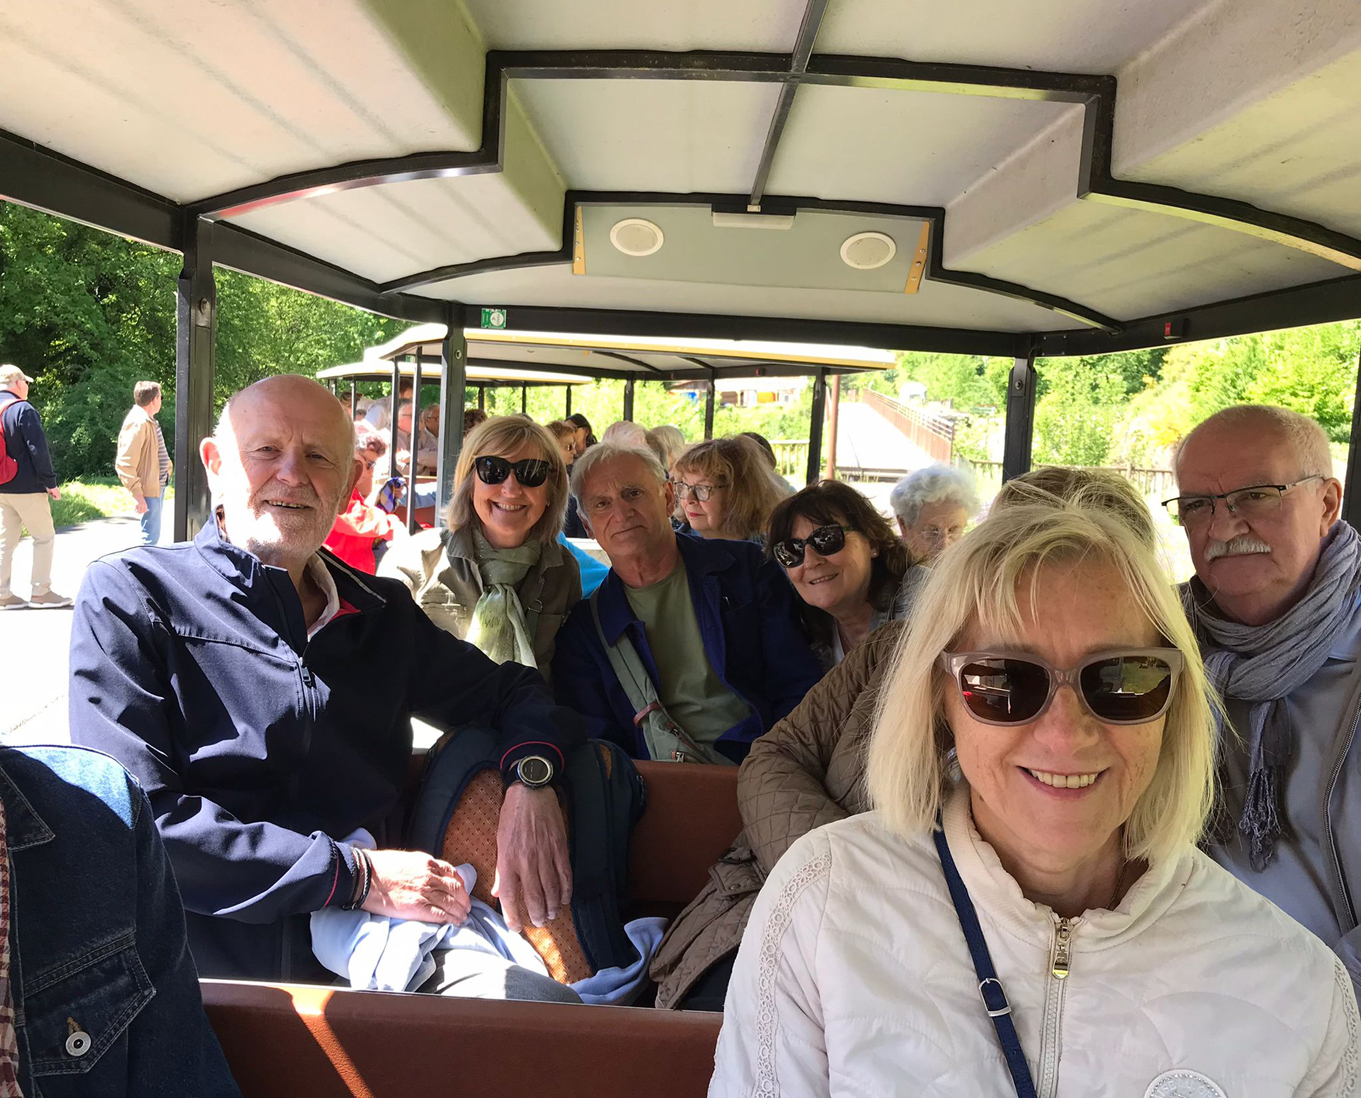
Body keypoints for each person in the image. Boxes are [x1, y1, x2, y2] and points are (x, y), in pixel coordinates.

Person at [710, 490, 1359, 1095]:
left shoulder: (1298, 987)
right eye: (1004, 680)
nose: (1065, 734)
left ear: (1173, 702)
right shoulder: (821, 900)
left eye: (1121, 678)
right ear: (940, 701)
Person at [68, 375, 586, 995]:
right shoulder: (134, 596)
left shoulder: (380, 612)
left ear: (347, 484)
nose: (292, 474)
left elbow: (514, 692)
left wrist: (532, 779)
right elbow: (133, 820)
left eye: (319, 457)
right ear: (215, 464)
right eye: (266, 450)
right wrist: (356, 876)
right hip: (190, 971)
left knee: (542, 1012)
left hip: (374, 959)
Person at [654, 467, 1157, 1012]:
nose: (1065, 729)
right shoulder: (893, 650)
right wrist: (849, 881)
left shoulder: (1147, 715)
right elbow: (774, 755)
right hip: (773, 908)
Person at [1168, 404, 1361, 985]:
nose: (1223, 528)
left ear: (1326, 504)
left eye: (1256, 495)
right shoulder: (1154, 640)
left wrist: (1316, 1006)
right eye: (1197, 505)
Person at [553, 443, 822, 764]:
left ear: (668, 497)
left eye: (633, 494)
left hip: (769, 760)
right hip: (661, 783)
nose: (621, 514)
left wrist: (776, 763)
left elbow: (797, 682)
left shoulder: (745, 570)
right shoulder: (586, 631)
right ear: (587, 526)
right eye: (602, 504)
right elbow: (603, 748)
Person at [0, 744, 242, 1096]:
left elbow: (181, 1073)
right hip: (230, 911)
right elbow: (168, 815)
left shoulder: (99, 804)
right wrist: (326, 875)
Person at [380, 415, 580, 676]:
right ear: (470, 482)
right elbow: (384, 671)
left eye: (530, 472)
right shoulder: (412, 562)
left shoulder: (562, 571)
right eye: (492, 469)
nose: (511, 489)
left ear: (551, 489)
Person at [766, 480, 915, 671]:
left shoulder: (922, 602)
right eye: (791, 550)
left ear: (872, 542)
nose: (810, 561)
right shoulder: (801, 631)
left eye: (826, 539)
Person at [0, 365, 70, 609]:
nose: (28, 387)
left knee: (5, 541)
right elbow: (38, 450)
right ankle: (41, 592)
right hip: (27, 487)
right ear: (18, 383)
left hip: (1, 488)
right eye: (26, 383)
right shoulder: (23, 410)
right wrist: (50, 482)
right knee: (44, 537)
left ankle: (2, 594)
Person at [324, 421, 406, 573]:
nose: (371, 471)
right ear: (349, 453)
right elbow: (352, 516)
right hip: (338, 571)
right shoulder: (332, 483)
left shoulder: (347, 485)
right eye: (370, 464)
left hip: (349, 569)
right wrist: (392, 526)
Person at [671, 436, 784, 542]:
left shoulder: (773, 551)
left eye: (702, 488)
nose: (689, 499)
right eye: (684, 486)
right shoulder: (672, 548)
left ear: (738, 494)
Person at [114, 380, 173, 546]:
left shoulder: (148, 420)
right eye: (160, 397)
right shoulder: (138, 422)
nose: (161, 401)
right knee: (149, 539)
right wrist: (138, 495)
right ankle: (139, 563)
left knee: (152, 536)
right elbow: (124, 462)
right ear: (154, 400)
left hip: (156, 485)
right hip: (148, 489)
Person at [889, 462, 979, 561]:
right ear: (903, 526)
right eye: (932, 532)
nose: (944, 547)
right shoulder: (886, 566)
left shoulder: (972, 565)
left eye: (953, 531)